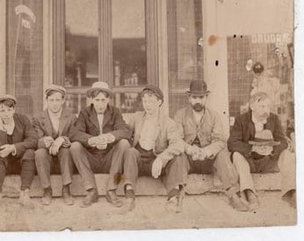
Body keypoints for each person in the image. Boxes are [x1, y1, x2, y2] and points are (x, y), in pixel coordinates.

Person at [174, 80, 248, 211]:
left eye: (201, 97)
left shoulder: (214, 116)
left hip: (208, 160)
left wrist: (207, 151)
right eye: (194, 97)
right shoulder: (180, 115)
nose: (198, 101)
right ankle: (178, 195)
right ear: (189, 98)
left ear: (206, 97)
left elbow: (220, 140)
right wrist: (190, 149)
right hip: (189, 159)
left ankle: (233, 195)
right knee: (178, 155)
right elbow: (177, 139)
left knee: (222, 154)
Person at [228, 92, 296, 209]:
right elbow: (232, 143)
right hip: (250, 162)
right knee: (236, 155)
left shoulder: (273, 118)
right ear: (252, 107)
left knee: (287, 154)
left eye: (268, 106)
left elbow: (283, 141)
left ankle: (291, 192)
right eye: (262, 106)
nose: (266, 110)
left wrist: (272, 150)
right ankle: (249, 192)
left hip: (268, 160)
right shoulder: (241, 120)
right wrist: (252, 148)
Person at [123, 85, 185, 212]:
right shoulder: (136, 118)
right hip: (139, 160)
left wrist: (161, 159)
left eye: (151, 101)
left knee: (177, 158)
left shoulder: (168, 123)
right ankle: (129, 196)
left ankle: (173, 198)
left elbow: (178, 145)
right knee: (130, 152)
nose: (147, 105)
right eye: (145, 101)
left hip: (156, 161)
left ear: (159, 102)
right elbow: (125, 134)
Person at [70, 81, 132, 208]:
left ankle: (111, 190)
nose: (100, 104)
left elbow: (125, 131)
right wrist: (92, 140)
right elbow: (74, 133)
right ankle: (91, 190)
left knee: (124, 144)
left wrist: (109, 137)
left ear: (108, 99)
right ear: (92, 100)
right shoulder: (84, 112)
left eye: (103, 100)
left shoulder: (115, 112)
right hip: (91, 158)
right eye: (97, 100)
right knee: (75, 146)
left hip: (110, 159)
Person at [0, 95, 38, 209]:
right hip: (2, 164)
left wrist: (13, 148)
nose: (6, 114)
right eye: (2, 111)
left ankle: (24, 193)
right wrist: (0, 126)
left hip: (21, 162)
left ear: (14, 110)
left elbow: (33, 140)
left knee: (30, 153)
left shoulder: (23, 119)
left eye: (9, 110)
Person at [33, 85, 76, 206]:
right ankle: (47, 190)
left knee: (67, 150)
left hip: (64, 157)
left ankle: (66, 188)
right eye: (51, 100)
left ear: (63, 101)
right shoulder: (38, 118)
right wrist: (43, 141)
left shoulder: (71, 117)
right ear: (46, 101)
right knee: (39, 153)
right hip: (47, 158)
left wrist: (62, 139)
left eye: (58, 100)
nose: (54, 104)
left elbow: (75, 136)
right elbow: (34, 139)